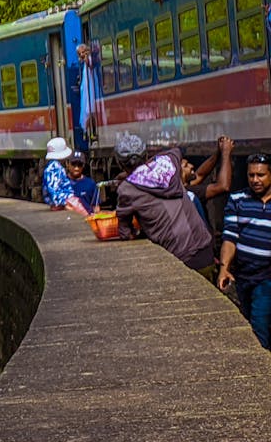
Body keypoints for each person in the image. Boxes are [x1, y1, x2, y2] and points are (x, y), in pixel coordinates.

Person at [114, 135, 213, 274]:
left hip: (178, 261)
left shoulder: (127, 189)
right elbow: (176, 150)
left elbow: (125, 232)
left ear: (120, 164)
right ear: (146, 155)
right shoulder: (170, 161)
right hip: (205, 252)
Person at [218, 152, 271, 348]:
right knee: (245, 322)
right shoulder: (238, 199)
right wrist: (224, 268)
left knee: (259, 326)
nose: (255, 180)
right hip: (242, 276)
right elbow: (230, 237)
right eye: (251, 175)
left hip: (266, 277)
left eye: (261, 175)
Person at [182, 135, 234, 227]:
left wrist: (218, 153)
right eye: (186, 165)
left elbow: (200, 175)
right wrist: (226, 153)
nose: (191, 166)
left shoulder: (182, 186)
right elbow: (223, 186)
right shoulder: (188, 193)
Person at [42, 138, 87, 214]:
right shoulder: (55, 168)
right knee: (82, 211)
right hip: (66, 199)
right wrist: (62, 202)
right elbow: (53, 189)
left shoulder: (52, 167)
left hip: (62, 200)